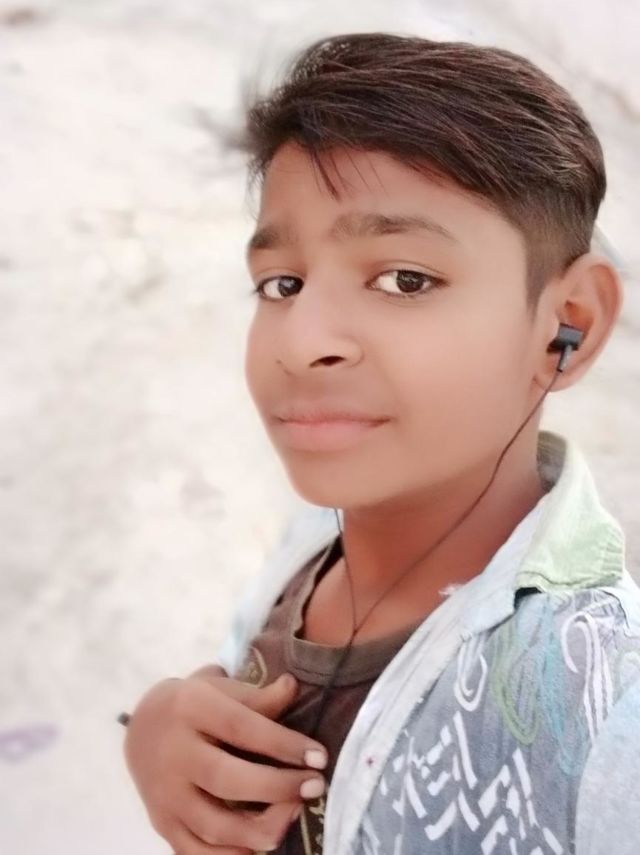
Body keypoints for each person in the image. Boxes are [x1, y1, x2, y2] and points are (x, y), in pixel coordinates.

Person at [121, 31, 640, 855]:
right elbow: (225, 686)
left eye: (404, 279)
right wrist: (158, 728)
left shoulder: (603, 711)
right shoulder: (313, 547)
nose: (303, 341)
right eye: (282, 283)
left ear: (564, 326)